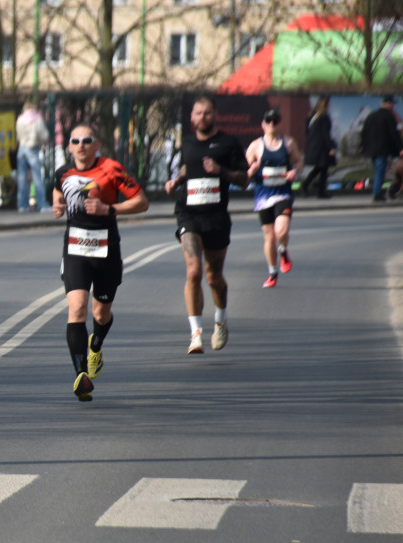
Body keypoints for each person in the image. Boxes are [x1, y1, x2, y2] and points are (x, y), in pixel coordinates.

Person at [51, 125, 148, 401]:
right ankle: (81, 376)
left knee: (101, 314)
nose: (81, 145)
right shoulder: (63, 173)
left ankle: (97, 344)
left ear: (97, 145)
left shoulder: (112, 169)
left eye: (87, 140)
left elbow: (142, 201)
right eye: (75, 141)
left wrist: (110, 209)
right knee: (77, 307)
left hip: (107, 250)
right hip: (76, 249)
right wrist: (58, 206)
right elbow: (58, 193)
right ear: (69, 147)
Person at [165, 95, 249, 355]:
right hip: (188, 214)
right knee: (193, 272)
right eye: (198, 113)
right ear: (192, 117)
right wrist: (175, 182)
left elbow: (245, 179)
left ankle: (220, 320)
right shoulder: (187, 143)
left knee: (213, 278)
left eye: (207, 113)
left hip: (216, 218)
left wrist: (220, 171)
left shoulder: (228, 143)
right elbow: (185, 169)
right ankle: (196, 334)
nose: (202, 117)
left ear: (215, 115)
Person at [245, 108, 303, 288]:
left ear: (279, 124)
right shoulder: (255, 146)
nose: (272, 123)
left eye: (275, 121)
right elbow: (245, 172)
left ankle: (283, 250)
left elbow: (299, 161)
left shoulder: (288, 143)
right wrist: (251, 171)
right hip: (263, 196)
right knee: (269, 237)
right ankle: (272, 272)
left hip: (283, 193)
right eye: (268, 120)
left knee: (281, 232)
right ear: (263, 124)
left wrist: (295, 171)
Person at [360, 95, 403, 202]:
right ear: (388, 104)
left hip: (371, 149)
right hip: (382, 148)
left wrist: (364, 147)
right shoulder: (388, 116)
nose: (393, 106)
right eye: (392, 104)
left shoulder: (371, 116)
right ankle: (377, 193)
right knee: (380, 171)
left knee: (377, 170)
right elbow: (393, 134)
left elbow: (364, 133)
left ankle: (377, 191)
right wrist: (400, 148)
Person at [15, 100, 52, 213]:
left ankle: (23, 205)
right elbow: (44, 135)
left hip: (22, 149)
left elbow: (18, 136)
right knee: (37, 177)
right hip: (33, 148)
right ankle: (42, 204)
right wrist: (42, 141)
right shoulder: (37, 119)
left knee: (22, 178)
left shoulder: (20, 119)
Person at [300, 95, 336, 199]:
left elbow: (307, 132)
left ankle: (307, 186)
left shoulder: (311, 116)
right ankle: (319, 191)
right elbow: (325, 134)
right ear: (326, 105)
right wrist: (330, 148)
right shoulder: (324, 117)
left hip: (313, 145)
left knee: (319, 168)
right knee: (323, 169)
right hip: (322, 147)